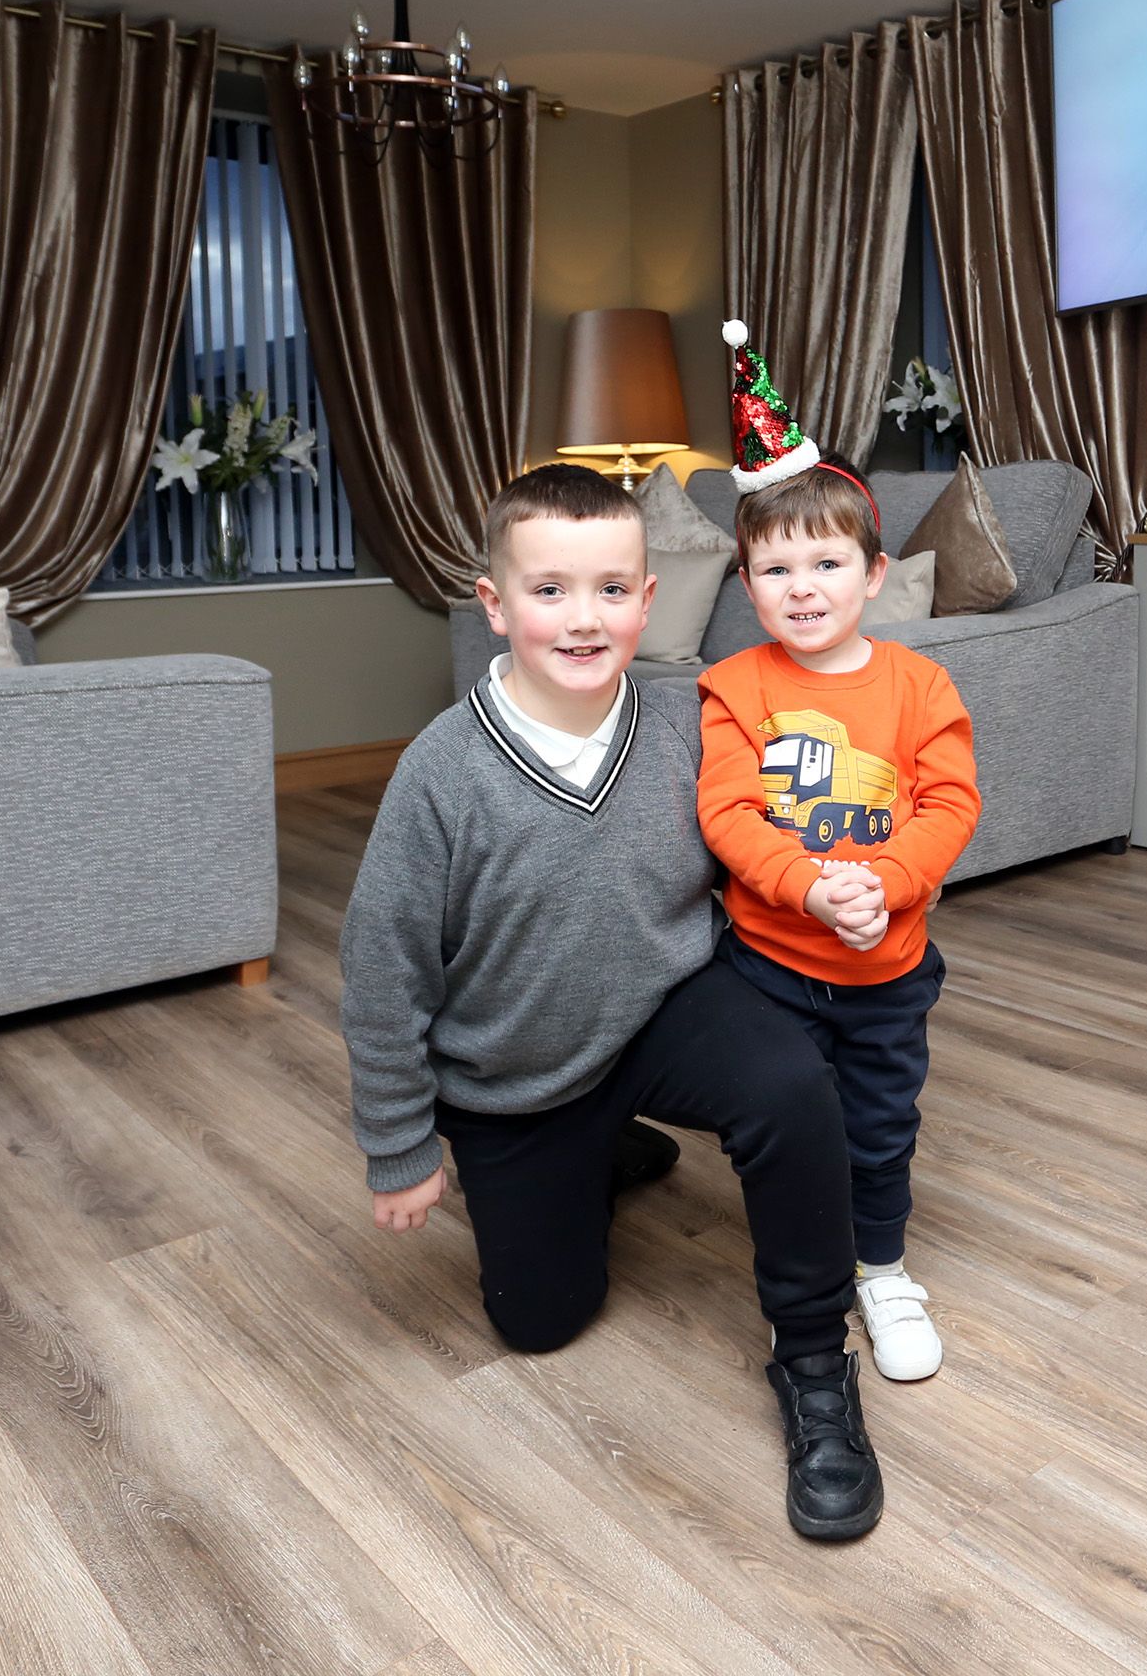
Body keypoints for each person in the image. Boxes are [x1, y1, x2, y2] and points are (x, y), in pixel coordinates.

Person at [339, 462, 883, 1542]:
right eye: (549, 591)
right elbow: (381, 968)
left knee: (789, 1081)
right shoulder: (441, 772)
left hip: (663, 1006)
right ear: (494, 606)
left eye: (610, 590)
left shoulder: (694, 721)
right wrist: (398, 1144)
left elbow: (820, 734)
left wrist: (858, 877)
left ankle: (817, 1362)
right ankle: (592, 1148)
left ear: (648, 597)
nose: (582, 620)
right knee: (541, 1324)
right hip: (517, 1073)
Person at [693, 323, 983, 1385]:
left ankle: (884, 1266)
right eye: (776, 567)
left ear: (875, 573)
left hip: (887, 965)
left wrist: (885, 887)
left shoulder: (921, 687)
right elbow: (730, 816)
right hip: (769, 964)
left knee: (878, 1122)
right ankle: (804, 1275)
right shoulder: (734, 687)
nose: (802, 586)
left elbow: (949, 805)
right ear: (748, 582)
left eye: (826, 562)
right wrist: (813, 886)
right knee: (792, 1125)